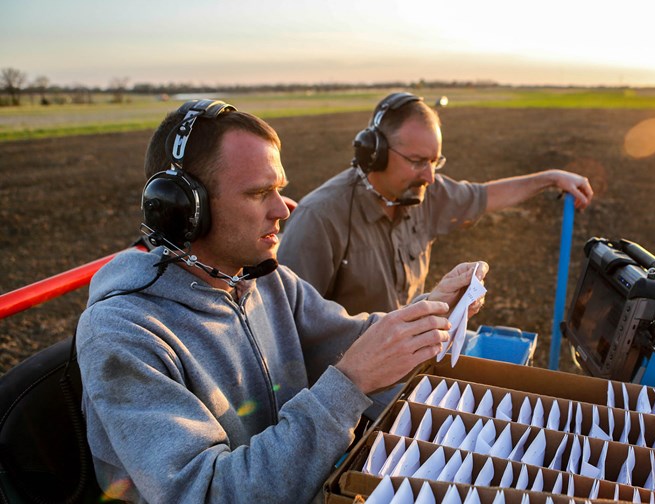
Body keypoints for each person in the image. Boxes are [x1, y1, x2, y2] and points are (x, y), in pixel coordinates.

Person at [75, 99, 487, 503]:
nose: (283, 209)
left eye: (279, 189)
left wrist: (434, 311)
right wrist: (350, 384)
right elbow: (208, 493)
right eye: (259, 193)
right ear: (185, 210)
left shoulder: (263, 280)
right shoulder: (124, 333)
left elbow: (358, 339)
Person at [277, 92, 594, 316]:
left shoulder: (424, 192)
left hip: (409, 355)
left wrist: (550, 178)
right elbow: (290, 322)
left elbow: (483, 197)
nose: (429, 176)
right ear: (375, 153)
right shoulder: (319, 218)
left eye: (434, 161)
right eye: (417, 161)